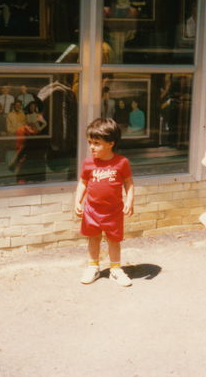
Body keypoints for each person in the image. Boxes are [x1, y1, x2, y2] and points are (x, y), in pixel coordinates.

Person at [74, 118, 135, 287]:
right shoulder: (88, 163)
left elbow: (128, 183)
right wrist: (77, 200)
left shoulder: (121, 162)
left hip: (113, 211)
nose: (92, 147)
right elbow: (83, 182)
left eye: (97, 143)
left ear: (110, 143)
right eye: (90, 142)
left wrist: (130, 200)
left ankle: (115, 269)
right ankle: (93, 266)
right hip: (92, 210)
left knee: (113, 240)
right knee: (93, 238)